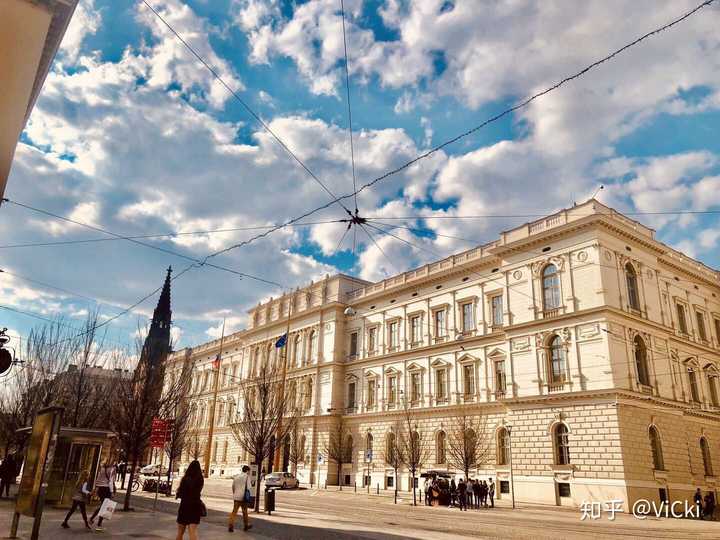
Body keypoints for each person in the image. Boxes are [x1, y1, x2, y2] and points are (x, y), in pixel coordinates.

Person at [176, 460, 204, 540]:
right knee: (193, 531)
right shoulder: (200, 479)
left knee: (180, 532)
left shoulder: (185, 478)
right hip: (195, 506)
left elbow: (180, 492)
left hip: (184, 505)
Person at [90, 460, 116, 531]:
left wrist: (96, 488)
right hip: (106, 489)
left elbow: (98, 479)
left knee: (103, 506)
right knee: (104, 507)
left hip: (100, 489)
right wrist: (112, 492)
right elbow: (110, 481)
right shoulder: (111, 469)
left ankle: (96, 521)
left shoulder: (102, 469)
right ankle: (96, 522)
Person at [228, 465, 252, 532]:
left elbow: (233, 487)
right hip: (243, 498)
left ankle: (231, 525)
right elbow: (249, 488)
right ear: (247, 470)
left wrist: (235, 493)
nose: (249, 472)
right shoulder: (247, 477)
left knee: (234, 512)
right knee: (245, 512)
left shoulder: (236, 477)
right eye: (249, 471)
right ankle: (246, 526)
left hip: (236, 497)